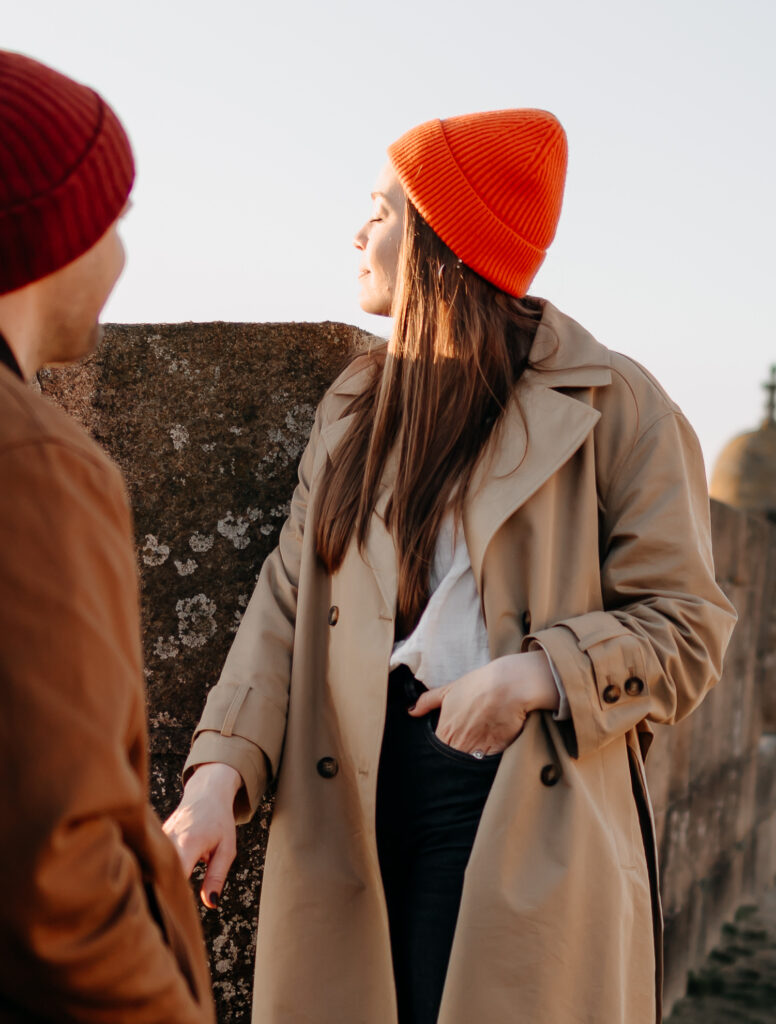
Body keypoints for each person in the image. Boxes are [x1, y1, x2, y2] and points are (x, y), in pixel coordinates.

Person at [165, 109, 737, 1024]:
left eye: (383, 212)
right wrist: (217, 776)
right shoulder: (355, 408)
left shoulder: (621, 405)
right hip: (343, 780)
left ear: (443, 242)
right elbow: (286, 600)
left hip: (509, 792)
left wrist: (536, 674)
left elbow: (688, 626)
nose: (358, 232)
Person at [0, 51, 215, 1023]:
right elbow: (60, 864)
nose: (122, 252)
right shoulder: (35, 463)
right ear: (52, 234)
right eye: (110, 215)